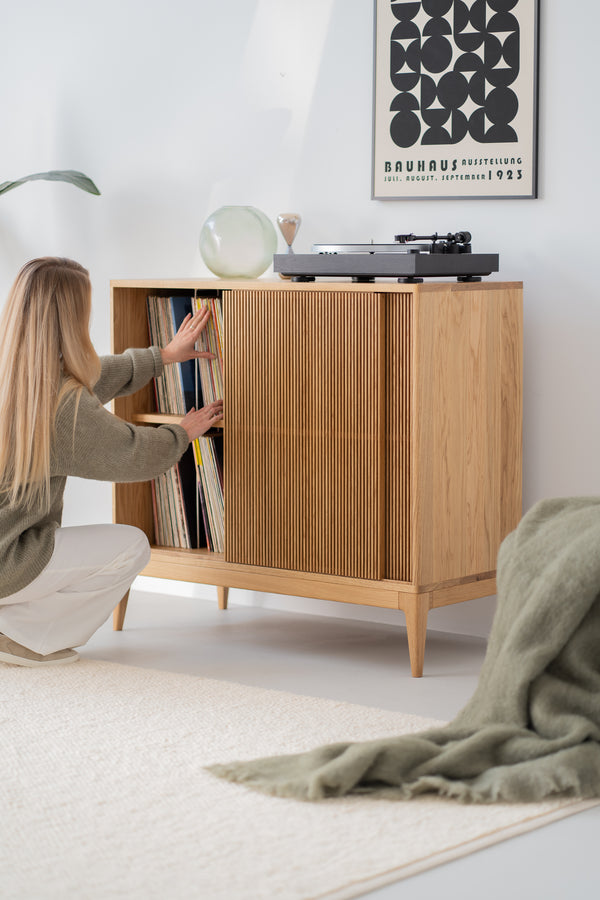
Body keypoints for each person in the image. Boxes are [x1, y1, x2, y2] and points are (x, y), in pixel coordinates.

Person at [0, 257, 223, 667]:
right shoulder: (60, 407)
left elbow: (85, 379)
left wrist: (162, 356)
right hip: (5, 563)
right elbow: (131, 455)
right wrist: (183, 432)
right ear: (72, 318)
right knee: (130, 546)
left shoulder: (16, 375)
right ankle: (21, 638)